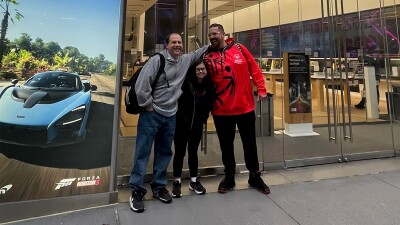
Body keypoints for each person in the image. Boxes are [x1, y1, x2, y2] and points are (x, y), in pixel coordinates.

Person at [129, 33, 209, 213]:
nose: (178, 45)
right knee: (143, 152)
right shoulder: (157, 60)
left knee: (165, 152)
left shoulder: (185, 60)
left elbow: (199, 52)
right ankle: (137, 191)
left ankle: (158, 187)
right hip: (152, 114)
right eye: (174, 42)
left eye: (180, 42)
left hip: (171, 115)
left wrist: (216, 40)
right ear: (167, 45)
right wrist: (148, 106)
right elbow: (142, 85)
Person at [203, 23, 270, 195]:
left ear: (223, 34)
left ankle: (254, 176)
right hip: (221, 111)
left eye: (215, 33)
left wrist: (261, 88)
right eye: (210, 34)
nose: (212, 37)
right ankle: (229, 176)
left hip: (245, 108)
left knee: (250, 144)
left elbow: (254, 69)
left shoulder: (239, 48)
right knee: (226, 147)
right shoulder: (207, 55)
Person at [171, 59, 215, 198]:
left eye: (203, 69)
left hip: (196, 126)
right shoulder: (186, 83)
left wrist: (201, 120)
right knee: (179, 153)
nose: (201, 71)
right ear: (193, 71)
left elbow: (209, 105)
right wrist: (182, 119)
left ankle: (194, 181)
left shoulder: (209, 86)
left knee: (193, 153)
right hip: (182, 125)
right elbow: (179, 103)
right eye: (198, 69)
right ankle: (177, 181)